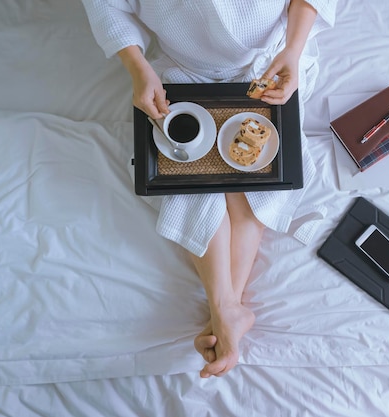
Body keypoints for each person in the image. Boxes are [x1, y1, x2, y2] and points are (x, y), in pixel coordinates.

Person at [81, 0, 336, 378]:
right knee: (191, 174)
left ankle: (227, 309)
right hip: (185, 72)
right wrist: (139, 68)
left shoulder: (281, 55)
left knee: (257, 176)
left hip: (269, 63)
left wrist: (293, 51)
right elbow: (106, 6)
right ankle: (228, 308)